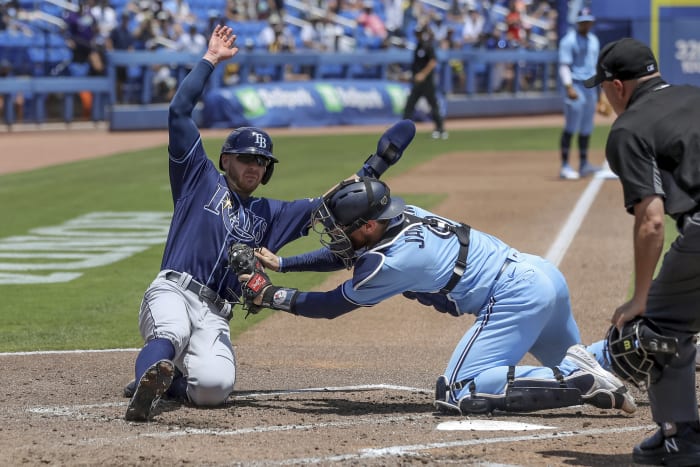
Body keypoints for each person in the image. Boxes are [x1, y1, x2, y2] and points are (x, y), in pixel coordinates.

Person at [123, 25, 412, 422]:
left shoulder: (271, 214)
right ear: (226, 160)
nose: (254, 167)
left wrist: (375, 166)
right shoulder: (196, 178)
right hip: (174, 289)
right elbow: (178, 112)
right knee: (170, 333)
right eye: (246, 158)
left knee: (214, 389)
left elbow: (333, 205)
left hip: (215, 312)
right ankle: (144, 390)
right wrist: (210, 60)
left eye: (262, 163)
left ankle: (167, 381)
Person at [236, 177, 637, 416]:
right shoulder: (405, 213)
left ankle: (578, 380)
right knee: (571, 352)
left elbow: (330, 306)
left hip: (514, 296)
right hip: (541, 275)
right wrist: (285, 265)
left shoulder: (391, 263)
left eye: (344, 228)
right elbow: (348, 252)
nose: (338, 235)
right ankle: (638, 349)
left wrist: (271, 296)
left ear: (371, 225)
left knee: (458, 390)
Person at [583, 37, 700, 465]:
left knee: (656, 329)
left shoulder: (629, 128)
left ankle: (680, 437)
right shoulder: (694, 95)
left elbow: (651, 221)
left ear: (617, 87)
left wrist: (641, 298)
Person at [557, 7, 605, 180]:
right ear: (578, 23)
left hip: (590, 87)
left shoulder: (594, 40)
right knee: (571, 127)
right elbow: (564, 65)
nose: (585, 24)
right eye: (582, 21)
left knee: (586, 127)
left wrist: (600, 94)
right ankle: (564, 166)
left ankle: (584, 164)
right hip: (576, 86)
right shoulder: (568, 41)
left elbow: (594, 67)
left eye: (588, 21)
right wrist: (568, 86)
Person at [403, 23, 447, 140]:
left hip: (427, 82)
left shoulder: (428, 46)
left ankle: (440, 129)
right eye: (416, 34)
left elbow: (433, 62)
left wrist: (423, 74)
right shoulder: (417, 46)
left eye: (419, 33)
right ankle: (402, 130)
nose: (418, 36)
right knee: (409, 105)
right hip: (417, 82)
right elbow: (416, 65)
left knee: (433, 105)